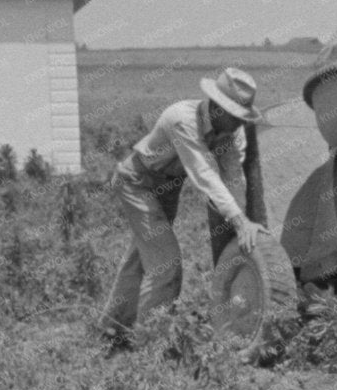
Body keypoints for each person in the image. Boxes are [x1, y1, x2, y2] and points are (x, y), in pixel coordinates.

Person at [97, 67, 269, 345]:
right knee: (166, 262)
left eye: (243, 118)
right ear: (216, 108)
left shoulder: (233, 133)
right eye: (235, 116)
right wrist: (239, 221)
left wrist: (243, 227)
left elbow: (234, 177)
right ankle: (149, 343)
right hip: (138, 182)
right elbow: (203, 174)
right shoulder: (182, 119)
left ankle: (112, 327)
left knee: (141, 257)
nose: (240, 124)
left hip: (168, 186)